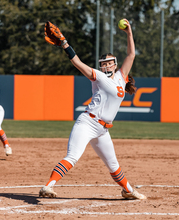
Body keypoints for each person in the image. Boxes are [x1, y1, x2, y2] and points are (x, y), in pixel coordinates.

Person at [39, 19, 146, 200]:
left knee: (113, 165)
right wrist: (65, 44)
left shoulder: (121, 77)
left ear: (115, 64)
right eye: (103, 63)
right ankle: (47, 186)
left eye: (108, 63)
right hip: (88, 122)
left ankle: (129, 191)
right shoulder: (99, 77)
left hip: (103, 130)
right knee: (72, 157)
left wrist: (129, 32)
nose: (105, 65)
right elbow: (78, 63)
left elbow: (132, 54)